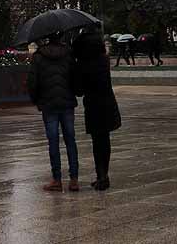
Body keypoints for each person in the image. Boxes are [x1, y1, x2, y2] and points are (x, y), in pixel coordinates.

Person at [27, 33, 79, 192]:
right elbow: (75, 78)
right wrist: (74, 92)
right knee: (70, 140)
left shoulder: (39, 56)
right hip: (67, 102)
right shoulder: (69, 54)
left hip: (48, 104)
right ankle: (74, 179)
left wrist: (36, 100)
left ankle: (57, 179)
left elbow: (32, 81)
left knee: (53, 141)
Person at [72, 30, 121, 191]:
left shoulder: (82, 65)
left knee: (97, 141)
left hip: (93, 105)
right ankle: (103, 174)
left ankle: (101, 176)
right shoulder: (104, 60)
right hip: (108, 102)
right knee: (104, 141)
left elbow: (78, 90)